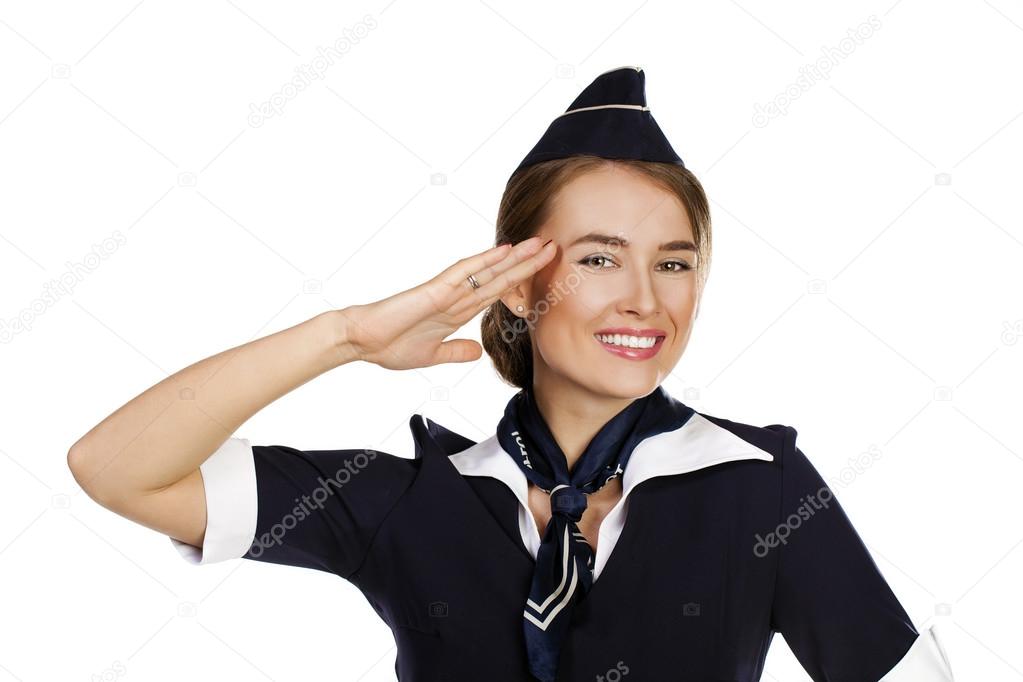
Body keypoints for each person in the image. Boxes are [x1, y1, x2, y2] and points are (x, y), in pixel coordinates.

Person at [68, 66, 955, 681]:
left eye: (675, 264)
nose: (646, 300)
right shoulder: (407, 501)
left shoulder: (757, 489)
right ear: (522, 285)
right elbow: (115, 469)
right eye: (600, 260)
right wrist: (346, 337)